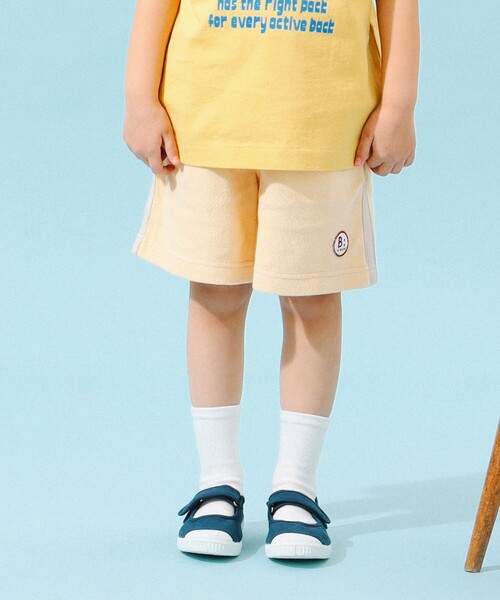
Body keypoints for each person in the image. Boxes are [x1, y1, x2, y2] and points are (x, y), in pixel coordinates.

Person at [123, 0, 420, 560]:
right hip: (204, 120)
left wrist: (399, 103)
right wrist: (140, 96)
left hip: (324, 124)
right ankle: (217, 483)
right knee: (214, 293)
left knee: (312, 299)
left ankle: (296, 488)